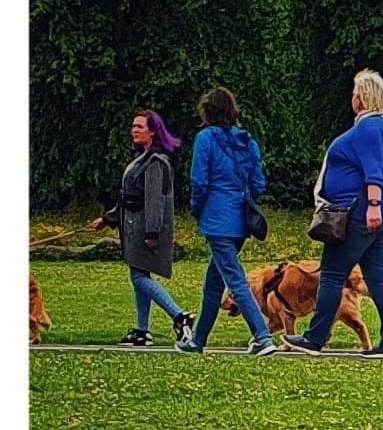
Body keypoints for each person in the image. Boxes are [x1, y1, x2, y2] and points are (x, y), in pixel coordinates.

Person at [282, 68, 383, 358]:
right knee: (379, 278)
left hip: (360, 213)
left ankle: (315, 338)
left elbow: (373, 172)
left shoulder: (367, 130)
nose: (351, 97)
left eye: (354, 93)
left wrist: (372, 206)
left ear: (361, 98)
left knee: (332, 276)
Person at [184, 86, 278, 356]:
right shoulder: (247, 141)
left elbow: (199, 181)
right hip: (240, 220)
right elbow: (258, 183)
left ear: (207, 111)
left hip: (216, 218)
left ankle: (262, 336)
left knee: (235, 279)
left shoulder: (206, 138)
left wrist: (198, 209)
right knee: (214, 282)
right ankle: (198, 340)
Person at [91, 111, 195, 349]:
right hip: (133, 228)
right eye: (133, 126)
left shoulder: (156, 162)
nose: (134, 131)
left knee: (138, 277)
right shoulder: (142, 158)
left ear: (153, 132)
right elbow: (129, 196)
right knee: (139, 276)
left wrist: (152, 233)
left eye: (139, 127)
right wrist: (108, 219)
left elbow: (155, 200)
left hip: (144, 230)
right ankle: (142, 331)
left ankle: (179, 316)